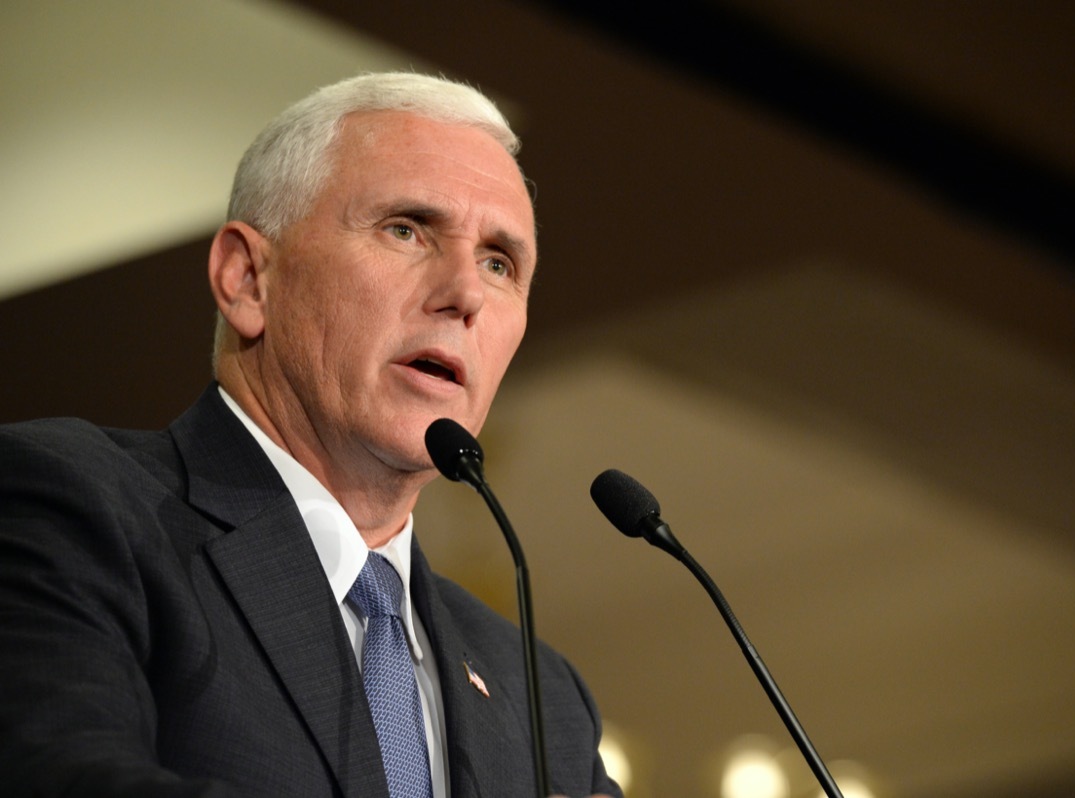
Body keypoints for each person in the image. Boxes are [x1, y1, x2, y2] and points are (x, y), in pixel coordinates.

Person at [0, 72, 620, 798]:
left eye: (498, 262)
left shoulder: (543, 698)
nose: (467, 293)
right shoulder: (72, 508)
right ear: (247, 280)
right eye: (406, 228)